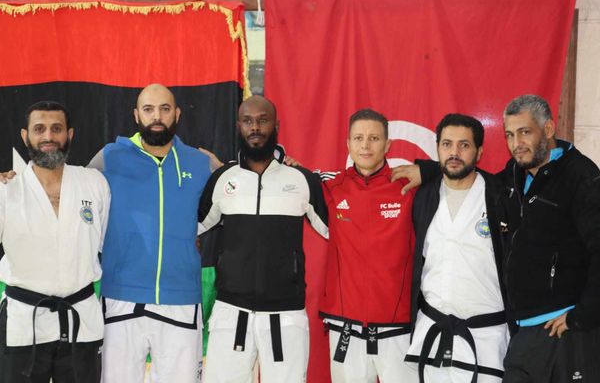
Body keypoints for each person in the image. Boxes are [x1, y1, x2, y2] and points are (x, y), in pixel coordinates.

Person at [199, 95, 328, 383]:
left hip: (286, 315)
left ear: (276, 126)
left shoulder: (301, 180)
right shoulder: (222, 179)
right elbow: (188, 227)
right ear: (238, 127)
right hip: (231, 312)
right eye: (248, 121)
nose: (255, 127)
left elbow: (342, 231)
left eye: (262, 120)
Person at [89, 84, 212, 383]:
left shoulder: (200, 162)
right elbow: (69, 189)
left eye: (165, 109)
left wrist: (283, 163)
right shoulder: (110, 157)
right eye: (148, 109)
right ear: (136, 115)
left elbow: (238, 187)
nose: (157, 116)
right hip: (120, 297)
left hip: (181, 298)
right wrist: (15, 179)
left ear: (177, 114)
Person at [0, 101, 110, 383]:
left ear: (69, 134)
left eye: (56, 129)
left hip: (81, 321)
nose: (48, 136)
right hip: (24, 323)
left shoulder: (94, 184)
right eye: (39, 129)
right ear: (25, 136)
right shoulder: (6, 190)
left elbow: (103, 242)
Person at [499, 95, 600, 382]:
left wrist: (582, 316)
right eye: (509, 135)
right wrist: (428, 172)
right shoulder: (513, 176)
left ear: (548, 129)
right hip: (524, 331)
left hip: (566, 332)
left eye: (524, 132)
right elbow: (471, 179)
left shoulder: (580, 175)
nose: (516, 143)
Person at [404, 114, 510, 383]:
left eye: (464, 145)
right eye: (447, 144)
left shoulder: (501, 195)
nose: (454, 152)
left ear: (479, 152)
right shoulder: (423, 195)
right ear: (437, 148)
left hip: (486, 337)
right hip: (432, 330)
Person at [319, 109, 417, 383]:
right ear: (348, 143)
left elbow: (456, 172)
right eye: (358, 138)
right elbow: (285, 176)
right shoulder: (331, 186)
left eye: (374, 138)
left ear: (387, 145)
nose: (365, 145)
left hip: (398, 330)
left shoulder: (410, 186)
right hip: (345, 327)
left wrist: (428, 169)